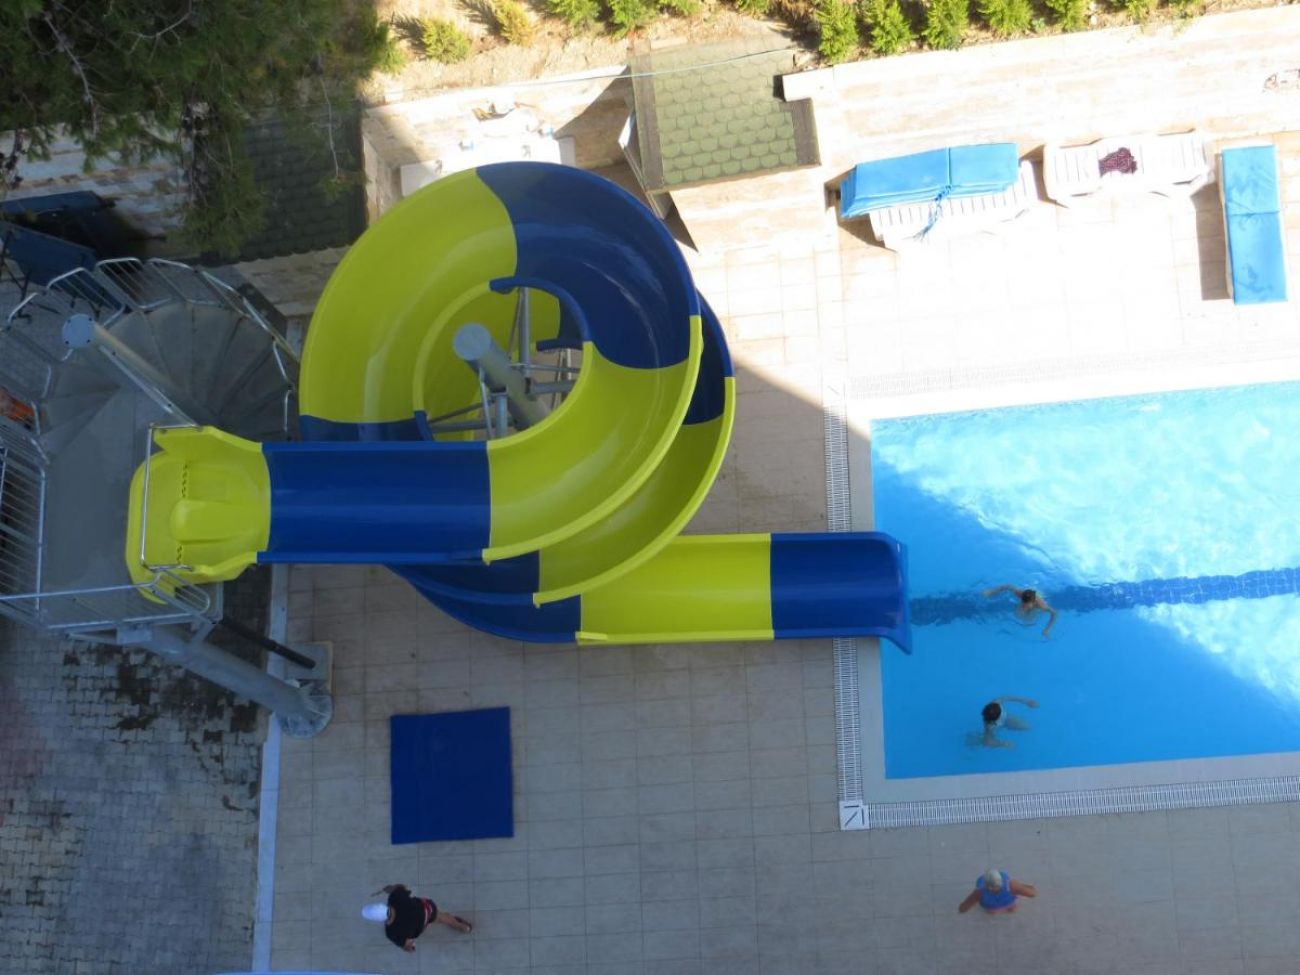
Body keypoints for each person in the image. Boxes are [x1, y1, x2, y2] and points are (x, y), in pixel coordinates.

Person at [363, 883, 472, 952]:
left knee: (409, 940)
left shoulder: (391, 932)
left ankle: (440, 922)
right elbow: (402, 887)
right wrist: (391, 888)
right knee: (443, 917)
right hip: (427, 910)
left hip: (420, 926)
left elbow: (406, 944)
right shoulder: (395, 897)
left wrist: (409, 948)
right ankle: (463, 927)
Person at [982, 584, 1057, 637]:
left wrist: (1047, 629)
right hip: (1030, 594)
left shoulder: (1041, 605)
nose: (1024, 606)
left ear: (1033, 602)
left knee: (1029, 619)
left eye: (1026, 605)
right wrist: (990, 592)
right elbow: (1007, 586)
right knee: (1019, 614)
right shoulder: (1020, 593)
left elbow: (1054, 613)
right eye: (1023, 603)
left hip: (1037, 598)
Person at [958, 868, 1037, 914]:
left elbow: (966, 905)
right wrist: (1030, 888)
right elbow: (1032, 893)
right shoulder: (1011, 885)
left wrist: (962, 909)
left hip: (992, 908)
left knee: (992, 912)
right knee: (1013, 909)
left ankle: (994, 913)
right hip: (1009, 903)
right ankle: (1010, 910)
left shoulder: (979, 892)